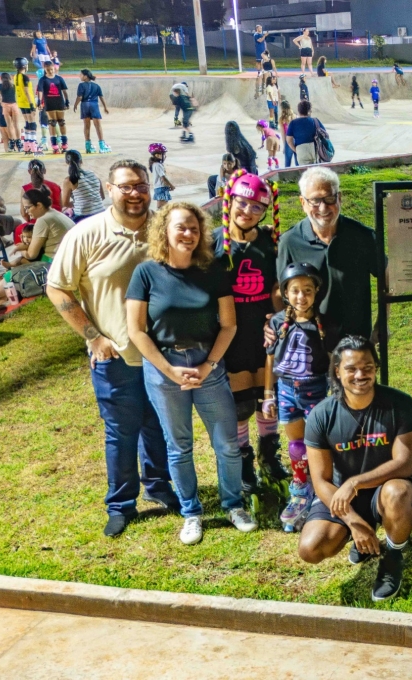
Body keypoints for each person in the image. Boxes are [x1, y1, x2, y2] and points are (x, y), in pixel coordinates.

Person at [47, 159, 179, 537]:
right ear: (109, 189)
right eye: (125, 186)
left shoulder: (164, 229)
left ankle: (159, 487)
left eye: (140, 185)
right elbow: (57, 287)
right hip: (116, 354)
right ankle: (121, 504)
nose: (135, 193)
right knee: (121, 432)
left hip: (163, 353)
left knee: (159, 426)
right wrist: (93, 335)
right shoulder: (86, 233)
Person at [126, 201, 258, 545]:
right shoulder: (146, 273)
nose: (188, 233)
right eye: (181, 227)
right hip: (163, 368)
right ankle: (191, 513)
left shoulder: (211, 270)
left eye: (194, 228)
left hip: (208, 365)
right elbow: (137, 330)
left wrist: (208, 364)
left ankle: (233, 505)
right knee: (179, 446)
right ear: (164, 231)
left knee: (227, 443)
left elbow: (228, 325)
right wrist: (169, 370)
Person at [298, 335, 412, 603]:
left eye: (367, 367)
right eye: (351, 368)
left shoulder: (399, 404)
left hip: (385, 489)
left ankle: (393, 556)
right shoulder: (321, 414)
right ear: (338, 372)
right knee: (311, 549)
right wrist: (354, 522)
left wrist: (355, 482)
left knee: (397, 493)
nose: (360, 375)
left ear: (376, 367)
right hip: (342, 498)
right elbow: (320, 481)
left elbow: (404, 463)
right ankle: (363, 536)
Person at [213, 171, 290, 515]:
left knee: (267, 399)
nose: (247, 211)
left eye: (256, 207)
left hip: (264, 335)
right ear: (230, 202)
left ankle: (269, 457)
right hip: (230, 336)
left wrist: (278, 317)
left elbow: (278, 288)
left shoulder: (271, 241)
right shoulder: (213, 242)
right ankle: (245, 467)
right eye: (242, 203)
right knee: (240, 405)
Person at [276, 167, 380, 348]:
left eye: (329, 198)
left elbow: (389, 279)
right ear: (303, 203)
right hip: (309, 348)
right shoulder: (289, 241)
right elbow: (279, 293)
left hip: (355, 348)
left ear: (339, 198)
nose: (323, 208)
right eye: (315, 201)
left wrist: (382, 323)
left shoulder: (363, 237)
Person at [262, 263, 328, 533]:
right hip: (287, 390)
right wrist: (268, 394)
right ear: (285, 293)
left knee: (319, 443)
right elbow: (269, 358)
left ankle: (322, 489)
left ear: (316, 293)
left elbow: (334, 358)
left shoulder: (324, 322)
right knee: (296, 445)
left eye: (308, 291)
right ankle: (300, 489)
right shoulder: (278, 322)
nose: (302, 296)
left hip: (316, 390)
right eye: (296, 291)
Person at [72, 69, 110, 154]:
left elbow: (80, 97)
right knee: (98, 126)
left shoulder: (81, 85)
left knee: (86, 125)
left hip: (85, 105)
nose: (80, 76)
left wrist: (75, 104)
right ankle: (102, 145)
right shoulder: (96, 86)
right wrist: (105, 107)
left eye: (81, 75)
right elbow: (101, 97)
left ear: (85, 76)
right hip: (94, 105)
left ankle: (88, 146)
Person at [36, 59, 70, 154]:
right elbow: (40, 91)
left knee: (61, 122)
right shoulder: (43, 80)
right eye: (48, 70)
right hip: (49, 103)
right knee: (52, 122)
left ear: (54, 68)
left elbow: (64, 90)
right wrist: (39, 101)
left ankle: (64, 144)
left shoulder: (59, 78)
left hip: (59, 102)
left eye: (52, 69)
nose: (50, 71)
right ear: (45, 69)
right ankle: (54, 145)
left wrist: (67, 101)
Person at [61, 150, 105, 222]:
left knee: (65, 214)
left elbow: (65, 203)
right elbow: (102, 197)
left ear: (67, 162)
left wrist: (78, 203)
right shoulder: (92, 174)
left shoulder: (69, 180)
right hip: (101, 213)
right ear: (81, 161)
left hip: (83, 216)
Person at [285, 100, 325, 166]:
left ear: (298, 111)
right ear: (309, 111)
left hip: (301, 149)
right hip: (315, 149)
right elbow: (325, 135)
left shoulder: (293, 123)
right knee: (316, 172)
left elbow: (289, 140)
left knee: (305, 174)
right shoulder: (315, 121)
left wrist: (296, 150)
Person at [13, 57, 39, 154]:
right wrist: (32, 105)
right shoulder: (25, 77)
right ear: (24, 66)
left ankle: (27, 145)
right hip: (28, 103)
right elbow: (27, 92)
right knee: (32, 124)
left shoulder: (16, 77)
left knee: (27, 123)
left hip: (21, 102)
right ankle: (33, 145)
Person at [0, 72, 21, 152]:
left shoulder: (0, 86)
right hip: (14, 105)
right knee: (16, 125)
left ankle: (12, 141)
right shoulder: (13, 86)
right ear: (10, 78)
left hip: (5, 106)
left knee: (9, 125)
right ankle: (19, 142)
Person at [148, 143, 174, 209]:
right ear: (157, 155)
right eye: (164, 154)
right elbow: (163, 177)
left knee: (163, 207)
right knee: (162, 207)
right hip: (161, 188)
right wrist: (171, 185)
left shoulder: (155, 164)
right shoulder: (157, 165)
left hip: (159, 187)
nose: (165, 156)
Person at [279, 100, 298, 168]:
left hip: (288, 140)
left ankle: (287, 178)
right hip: (296, 140)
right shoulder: (295, 116)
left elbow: (283, 134)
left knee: (287, 164)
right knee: (298, 162)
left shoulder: (282, 119)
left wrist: (284, 145)